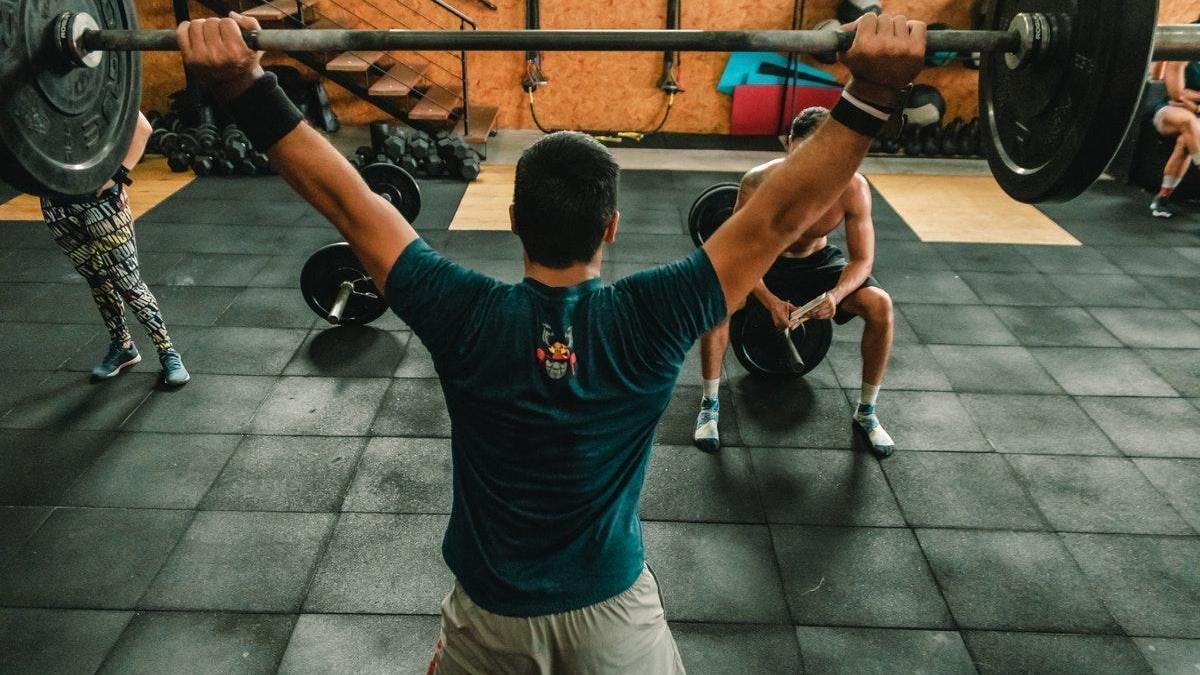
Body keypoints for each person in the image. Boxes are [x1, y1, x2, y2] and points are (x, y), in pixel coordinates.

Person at [177, 12, 925, 673]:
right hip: (614, 622)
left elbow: (348, 199)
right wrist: (870, 96)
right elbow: (775, 219)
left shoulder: (461, 312)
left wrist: (244, 83)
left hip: (491, 622)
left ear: (512, 219)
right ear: (612, 227)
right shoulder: (654, 315)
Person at [693, 107, 896, 458]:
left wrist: (835, 295)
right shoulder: (758, 181)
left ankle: (867, 411)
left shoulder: (852, 186)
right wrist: (768, 299)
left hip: (819, 265)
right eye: (802, 154)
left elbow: (862, 259)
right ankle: (709, 405)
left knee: (880, 305)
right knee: (718, 301)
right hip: (764, 261)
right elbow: (736, 250)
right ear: (789, 144)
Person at [39, 113, 190, 386]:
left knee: (128, 282)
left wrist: (117, 175)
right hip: (56, 204)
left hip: (102, 203)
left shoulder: (94, 83)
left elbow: (142, 128)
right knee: (96, 279)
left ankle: (168, 351)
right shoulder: (31, 94)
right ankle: (123, 346)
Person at [1148, 17, 1200, 219]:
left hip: (1193, 113)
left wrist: (1191, 98)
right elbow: (1176, 93)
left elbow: (1185, 96)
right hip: (1169, 112)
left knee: (1185, 141)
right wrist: (1187, 99)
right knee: (1188, 122)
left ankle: (1161, 199)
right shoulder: (1187, 42)